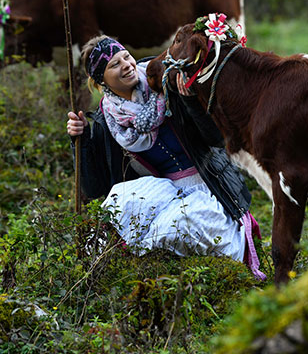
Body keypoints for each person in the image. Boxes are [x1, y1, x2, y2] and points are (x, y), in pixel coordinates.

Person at [66, 34, 265, 279]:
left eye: (126, 57)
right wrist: (82, 140)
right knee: (116, 207)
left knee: (180, 225)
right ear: (100, 80)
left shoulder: (167, 83)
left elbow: (216, 140)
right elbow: (94, 187)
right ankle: (142, 277)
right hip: (166, 191)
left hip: (208, 184)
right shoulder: (107, 121)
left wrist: (191, 101)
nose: (127, 65)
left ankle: (208, 274)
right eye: (114, 65)